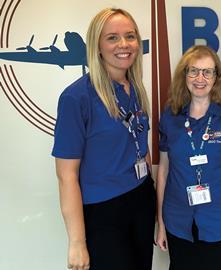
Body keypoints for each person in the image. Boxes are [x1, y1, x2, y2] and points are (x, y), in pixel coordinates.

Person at [52, 8, 155, 270]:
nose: (124, 44)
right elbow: (67, 176)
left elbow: (140, 144)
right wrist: (76, 242)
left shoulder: (135, 89)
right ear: (97, 45)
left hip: (141, 198)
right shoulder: (76, 98)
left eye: (130, 36)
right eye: (112, 38)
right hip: (104, 211)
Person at [155, 45, 221, 270]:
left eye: (207, 72)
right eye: (193, 71)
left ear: (216, 77)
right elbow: (163, 172)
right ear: (184, 75)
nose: (200, 78)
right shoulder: (171, 115)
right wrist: (161, 223)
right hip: (178, 222)